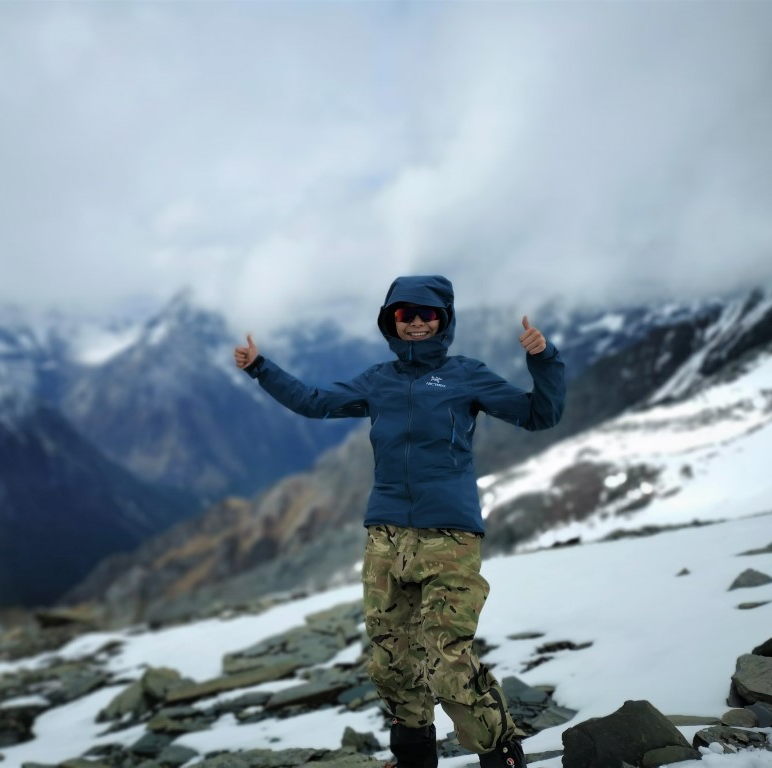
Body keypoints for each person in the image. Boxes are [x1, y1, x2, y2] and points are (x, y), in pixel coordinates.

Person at [233, 275, 565, 768]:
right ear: (390, 320)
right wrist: (261, 367)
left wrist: (544, 359)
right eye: (404, 313)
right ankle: (414, 758)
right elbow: (314, 402)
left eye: (427, 313)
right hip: (385, 534)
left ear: (443, 321)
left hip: (449, 535)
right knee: (391, 657)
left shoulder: (466, 375)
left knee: (446, 657)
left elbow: (541, 414)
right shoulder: (377, 381)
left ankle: (500, 756)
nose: (415, 322)